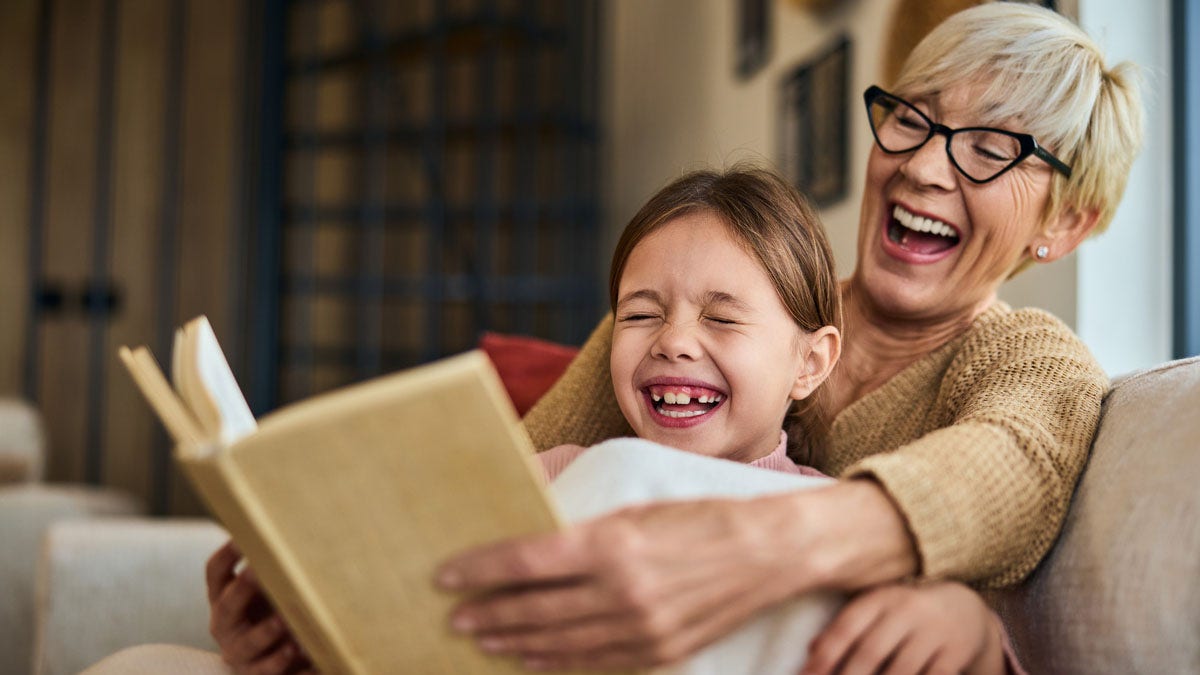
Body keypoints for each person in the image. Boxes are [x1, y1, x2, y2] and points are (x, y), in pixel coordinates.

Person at [429, 2, 1142, 672]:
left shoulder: (1028, 357)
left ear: (1066, 221)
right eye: (913, 121)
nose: (922, 167)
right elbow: (509, 495)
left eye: (991, 147)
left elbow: (1012, 464)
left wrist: (759, 548)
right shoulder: (702, 306)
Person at [200, 166, 1019, 675]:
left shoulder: (832, 516)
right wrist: (284, 644)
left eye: (723, 319)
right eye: (640, 313)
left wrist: (973, 633)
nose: (674, 342)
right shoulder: (552, 472)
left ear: (810, 361)